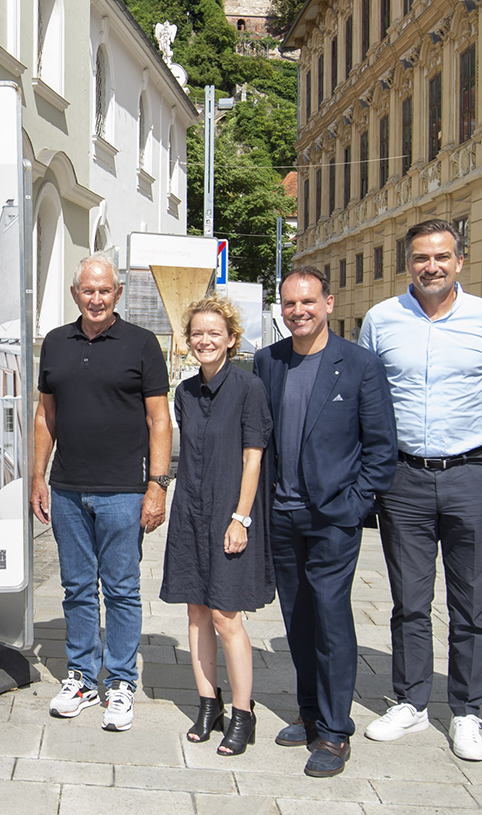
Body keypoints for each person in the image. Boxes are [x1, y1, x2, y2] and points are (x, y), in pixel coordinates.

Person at [358, 218, 482, 761]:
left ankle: (468, 710)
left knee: (472, 601)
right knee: (410, 600)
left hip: (473, 471)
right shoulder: (381, 320)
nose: (432, 267)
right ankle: (410, 702)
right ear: (409, 263)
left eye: (442, 257)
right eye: (422, 258)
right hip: (402, 478)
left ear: (461, 261)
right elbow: (366, 398)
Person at [255, 267, 397, 777]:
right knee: (296, 617)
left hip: (333, 516)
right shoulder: (268, 361)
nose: (298, 311)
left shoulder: (359, 365)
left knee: (332, 618)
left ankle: (337, 733)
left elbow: (382, 449)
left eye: (308, 301)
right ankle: (310, 712)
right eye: (290, 303)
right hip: (281, 513)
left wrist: (355, 503)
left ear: (329, 303)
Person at [31, 252, 172, 732]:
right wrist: (37, 477)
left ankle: (121, 683)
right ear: (76, 294)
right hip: (68, 488)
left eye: (104, 290)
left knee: (122, 589)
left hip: (123, 491)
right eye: (88, 290)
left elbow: (159, 419)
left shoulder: (141, 343)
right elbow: (45, 416)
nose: (96, 298)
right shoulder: (55, 343)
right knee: (76, 588)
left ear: (117, 294)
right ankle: (81, 678)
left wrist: (157, 485)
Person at [160, 297, 272, 755]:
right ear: (189, 342)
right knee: (196, 612)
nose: (205, 340)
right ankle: (209, 704)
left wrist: (241, 518)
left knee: (227, 616)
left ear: (231, 339)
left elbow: (253, 457)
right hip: (190, 510)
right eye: (197, 334)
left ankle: (243, 713)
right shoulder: (184, 393)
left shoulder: (249, 389)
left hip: (230, 513)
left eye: (214, 333)